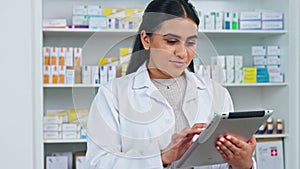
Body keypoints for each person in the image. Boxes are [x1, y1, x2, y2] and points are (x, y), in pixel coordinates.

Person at [85, 0, 257, 168]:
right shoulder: (112, 95)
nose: (182, 52)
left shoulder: (217, 94)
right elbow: (97, 164)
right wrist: (161, 158)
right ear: (146, 39)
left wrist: (243, 164)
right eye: (171, 41)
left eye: (190, 42)